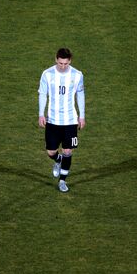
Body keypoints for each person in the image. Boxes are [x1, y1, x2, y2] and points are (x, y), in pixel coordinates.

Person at [38, 48, 85, 192]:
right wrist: (41, 114)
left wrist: (81, 116)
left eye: (65, 63)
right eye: (60, 63)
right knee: (51, 152)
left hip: (70, 121)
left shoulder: (77, 75)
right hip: (53, 120)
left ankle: (62, 181)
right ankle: (58, 161)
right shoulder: (47, 74)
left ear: (70, 61)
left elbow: (80, 95)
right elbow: (42, 94)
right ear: (56, 59)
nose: (63, 66)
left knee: (68, 151)